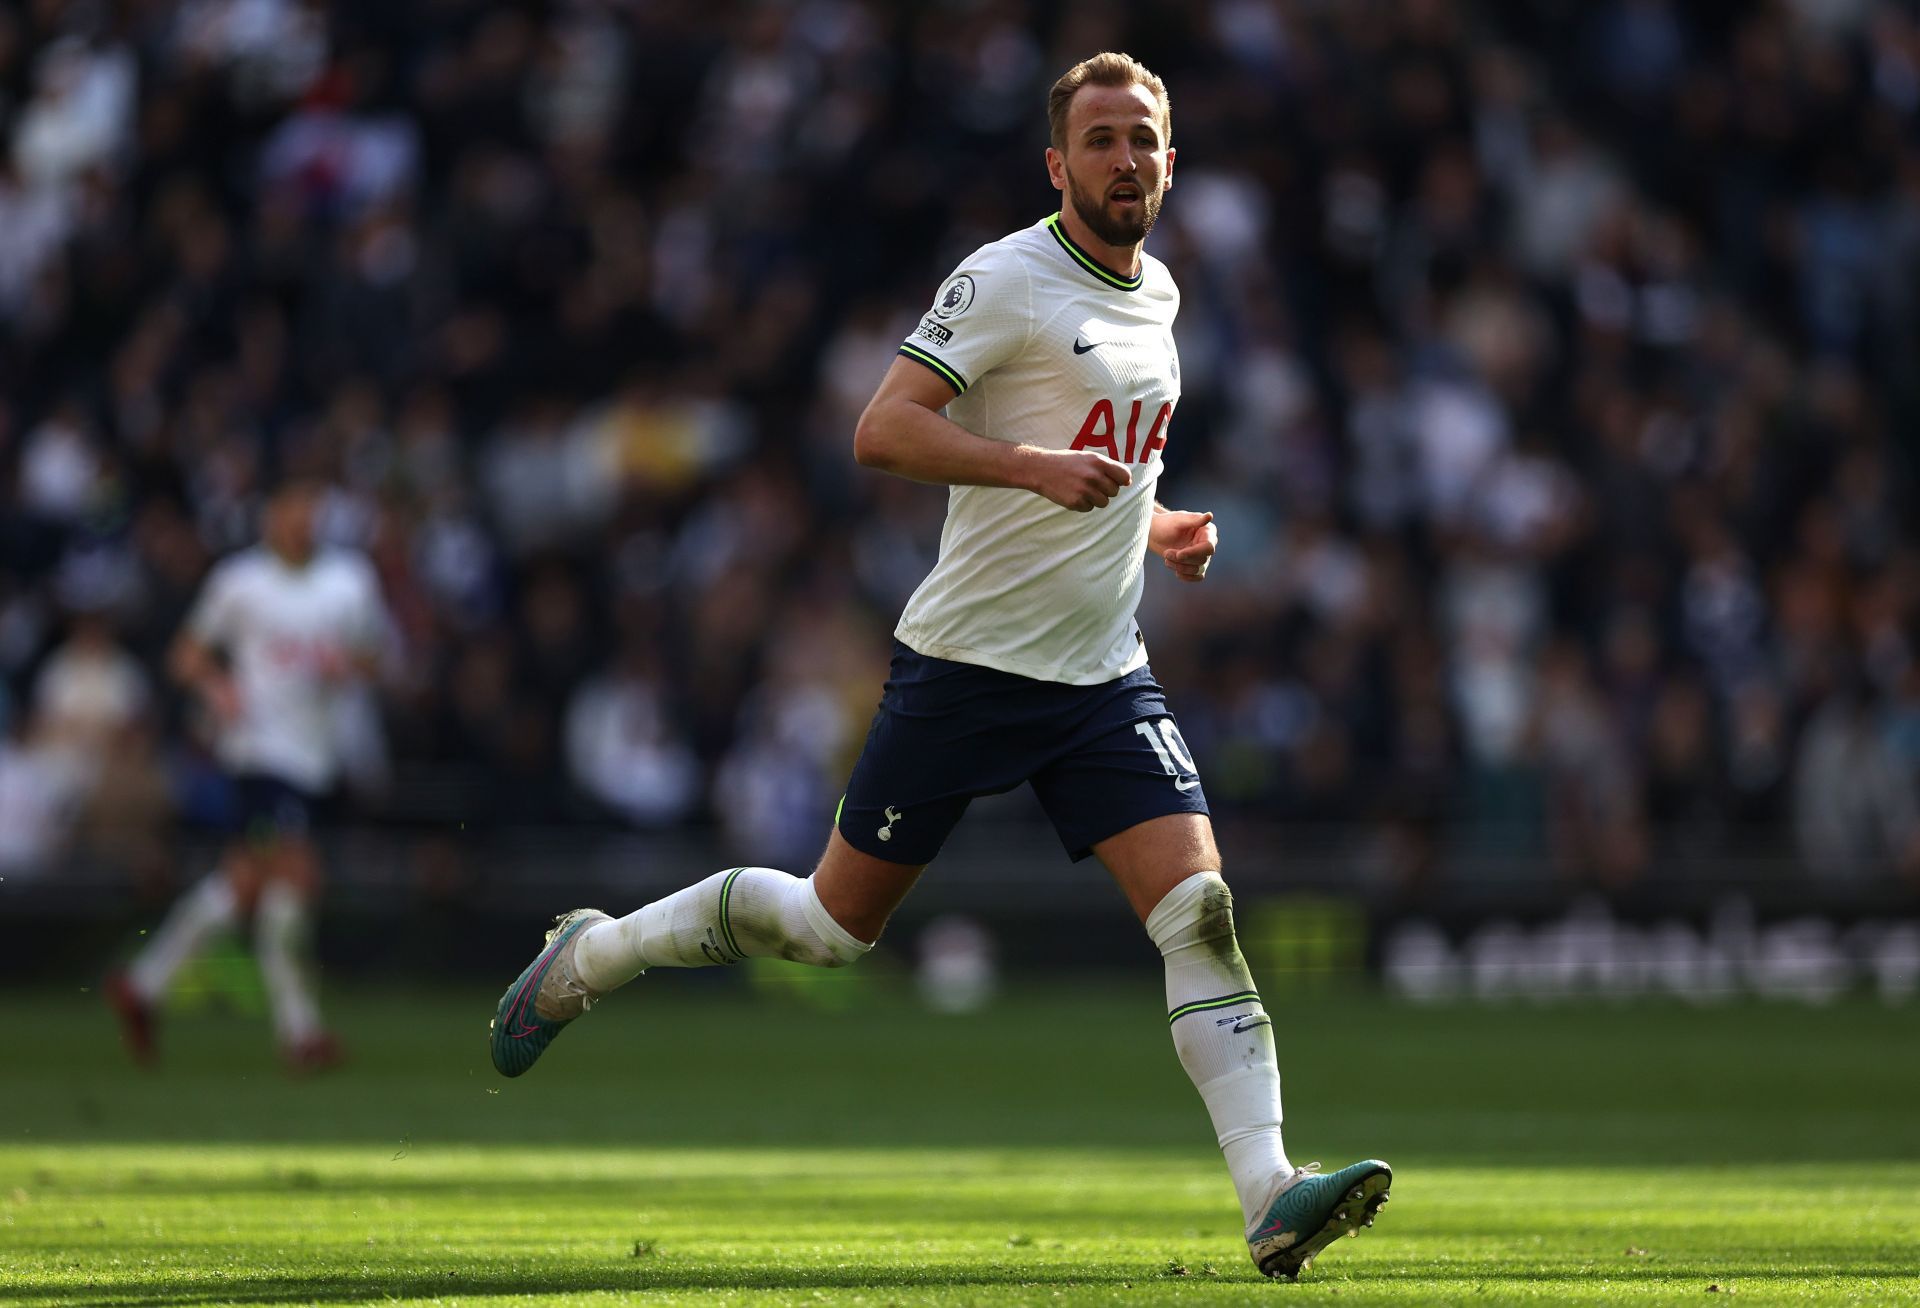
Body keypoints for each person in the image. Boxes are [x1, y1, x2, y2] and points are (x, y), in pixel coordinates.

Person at [488, 52, 1390, 1280]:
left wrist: (1157, 523)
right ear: (1058, 163)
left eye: (1145, 139)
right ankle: (592, 955)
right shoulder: (1007, 276)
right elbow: (882, 429)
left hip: (1100, 676)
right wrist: (1028, 470)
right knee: (829, 929)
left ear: (1172, 162)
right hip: (965, 669)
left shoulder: (1163, 294)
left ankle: (1272, 1193)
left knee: (1202, 912)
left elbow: (1108, 460)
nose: (1126, 159)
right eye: (1103, 139)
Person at [108, 480, 390, 1074]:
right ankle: (300, 1033)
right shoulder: (239, 583)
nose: (297, 523)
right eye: (288, 511)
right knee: (296, 875)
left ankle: (142, 985)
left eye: (307, 512)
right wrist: (221, 688)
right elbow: (186, 656)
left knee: (246, 886)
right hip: (260, 754)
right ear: (269, 518)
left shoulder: (348, 581)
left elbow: (375, 657)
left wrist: (350, 665)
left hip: (316, 758)